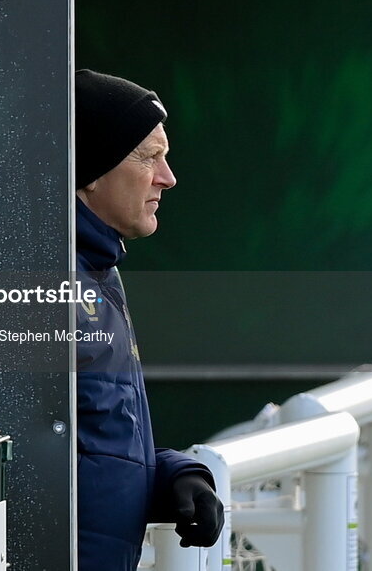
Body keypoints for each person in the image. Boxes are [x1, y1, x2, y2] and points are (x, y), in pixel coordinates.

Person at [75, 70, 224, 570]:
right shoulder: (34, 282)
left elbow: (91, 450)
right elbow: (23, 456)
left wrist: (177, 477)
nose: (168, 176)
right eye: (148, 157)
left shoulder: (97, 273)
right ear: (90, 171)